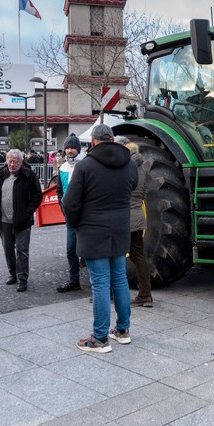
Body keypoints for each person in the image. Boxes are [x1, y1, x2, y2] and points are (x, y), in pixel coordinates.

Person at [64, 124, 137, 353]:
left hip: (93, 232)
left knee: (101, 284)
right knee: (120, 280)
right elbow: (132, 186)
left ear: (93, 142)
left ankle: (99, 337)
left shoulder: (85, 166)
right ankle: (122, 330)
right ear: (113, 140)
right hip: (120, 230)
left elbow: (69, 203)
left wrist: (75, 224)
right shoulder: (130, 164)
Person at [0, 149, 42, 292]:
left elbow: (37, 196)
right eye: (10, 161)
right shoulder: (1, 174)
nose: (12, 164)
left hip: (22, 220)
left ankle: (22, 278)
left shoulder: (29, 175)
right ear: (6, 161)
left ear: (21, 161)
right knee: (8, 249)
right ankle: (13, 274)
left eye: (15, 162)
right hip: (4, 220)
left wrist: (27, 212)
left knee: (22, 250)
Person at [116, 137, 153, 307]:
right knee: (139, 256)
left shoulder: (124, 167)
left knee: (114, 255)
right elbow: (143, 193)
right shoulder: (143, 168)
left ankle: (112, 292)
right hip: (138, 215)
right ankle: (145, 295)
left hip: (124, 217)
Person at [56, 133, 83, 293]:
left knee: (88, 251)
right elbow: (60, 191)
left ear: (78, 150)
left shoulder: (84, 165)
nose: (70, 150)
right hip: (70, 217)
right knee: (71, 250)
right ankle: (74, 280)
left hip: (84, 216)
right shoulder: (62, 168)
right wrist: (62, 206)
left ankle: (98, 284)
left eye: (73, 148)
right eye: (67, 148)